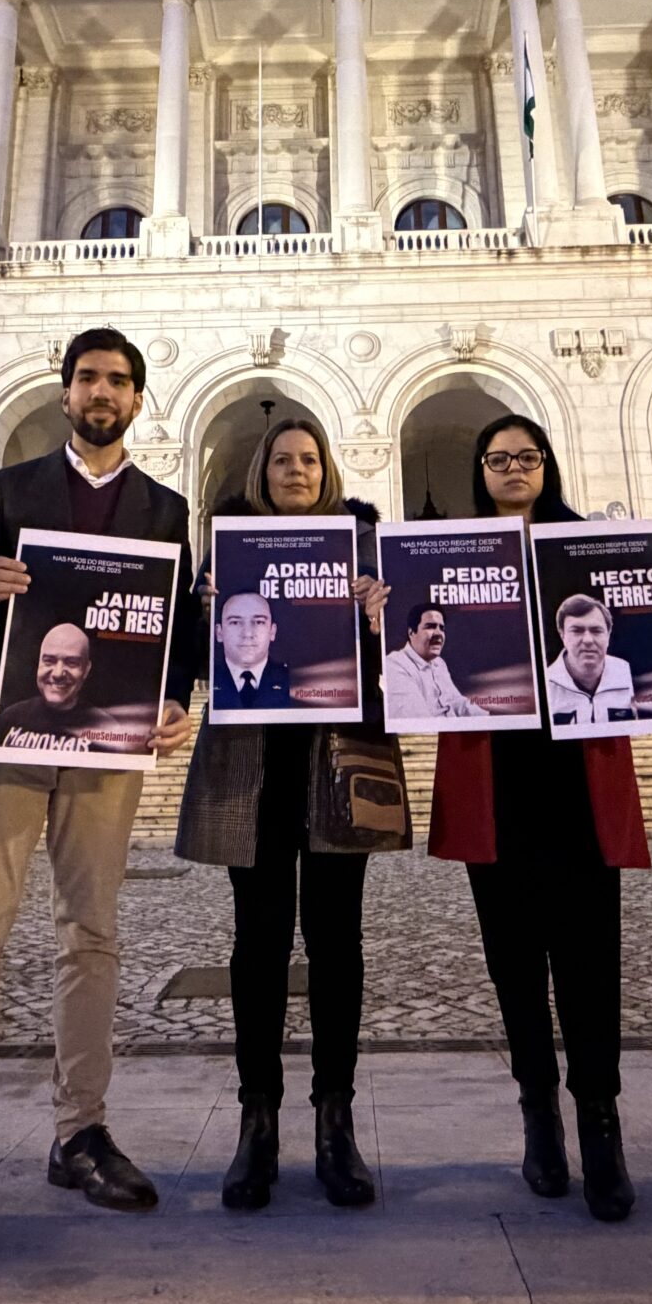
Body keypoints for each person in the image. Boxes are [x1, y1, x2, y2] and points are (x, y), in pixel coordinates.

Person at [0, 328, 200, 1288]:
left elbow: (180, 617)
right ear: (66, 393)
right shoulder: (12, 489)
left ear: (138, 401)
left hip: (106, 748)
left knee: (92, 936)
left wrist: (181, 693)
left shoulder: (164, 507)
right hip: (7, 741)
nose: (101, 392)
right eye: (88, 379)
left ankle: (81, 1132)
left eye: (117, 381)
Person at [176, 416, 402, 1212]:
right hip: (257, 763)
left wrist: (380, 611)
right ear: (260, 469)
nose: (296, 471)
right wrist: (207, 610)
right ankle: (257, 1119)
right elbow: (203, 649)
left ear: (327, 470)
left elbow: (401, 649)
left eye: (309, 460)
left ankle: (334, 1121)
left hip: (337, 759)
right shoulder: (230, 541)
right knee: (259, 941)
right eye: (282, 460)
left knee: (338, 938)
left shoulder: (364, 538)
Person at [429, 415, 648, 1222]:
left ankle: (600, 1121)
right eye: (498, 459)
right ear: (481, 471)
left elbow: (647, 635)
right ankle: (538, 1112)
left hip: (576, 777)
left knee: (591, 959)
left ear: (547, 466)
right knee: (514, 963)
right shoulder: (450, 555)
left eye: (526, 457)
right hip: (498, 778)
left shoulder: (586, 545)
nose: (513, 469)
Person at [0, 622, 114, 751]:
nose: (58, 673)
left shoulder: (105, 728)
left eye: (71, 663)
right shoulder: (10, 718)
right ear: (39, 662)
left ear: (86, 669)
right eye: (49, 661)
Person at [383, 603, 485, 720]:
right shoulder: (394, 665)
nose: (438, 634)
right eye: (430, 626)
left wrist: (489, 719)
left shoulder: (439, 663)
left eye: (441, 628)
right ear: (411, 632)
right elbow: (418, 721)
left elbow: (456, 701)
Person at [545, 594, 636, 724]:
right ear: (562, 635)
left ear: (608, 635)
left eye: (596, 631)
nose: (588, 640)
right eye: (577, 630)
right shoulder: (544, 686)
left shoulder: (631, 677)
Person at [213, 591, 296, 711]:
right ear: (219, 632)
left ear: (272, 631)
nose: (247, 634)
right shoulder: (211, 679)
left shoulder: (294, 681)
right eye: (235, 622)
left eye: (259, 622)